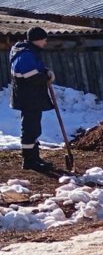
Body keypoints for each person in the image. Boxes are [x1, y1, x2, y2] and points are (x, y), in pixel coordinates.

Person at [9, 26, 56, 171]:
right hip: (28, 97)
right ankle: (29, 160)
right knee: (29, 128)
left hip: (32, 97)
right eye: (44, 40)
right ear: (37, 39)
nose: (45, 43)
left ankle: (34, 157)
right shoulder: (26, 54)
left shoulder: (29, 52)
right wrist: (45, 77)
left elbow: (36, 69)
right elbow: (29, 76)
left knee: (34, 128)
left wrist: (46, 71)